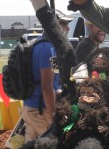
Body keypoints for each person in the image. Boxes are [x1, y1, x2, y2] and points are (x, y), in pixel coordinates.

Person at [22, 9, 73, 143]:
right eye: (63, 24)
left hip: (31, 107)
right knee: (52, 143)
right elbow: (47, 86)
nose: (68, 28)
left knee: (30, 144)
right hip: (40, 111)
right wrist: (52, 117)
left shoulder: (40, 43)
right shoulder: (48, 49)